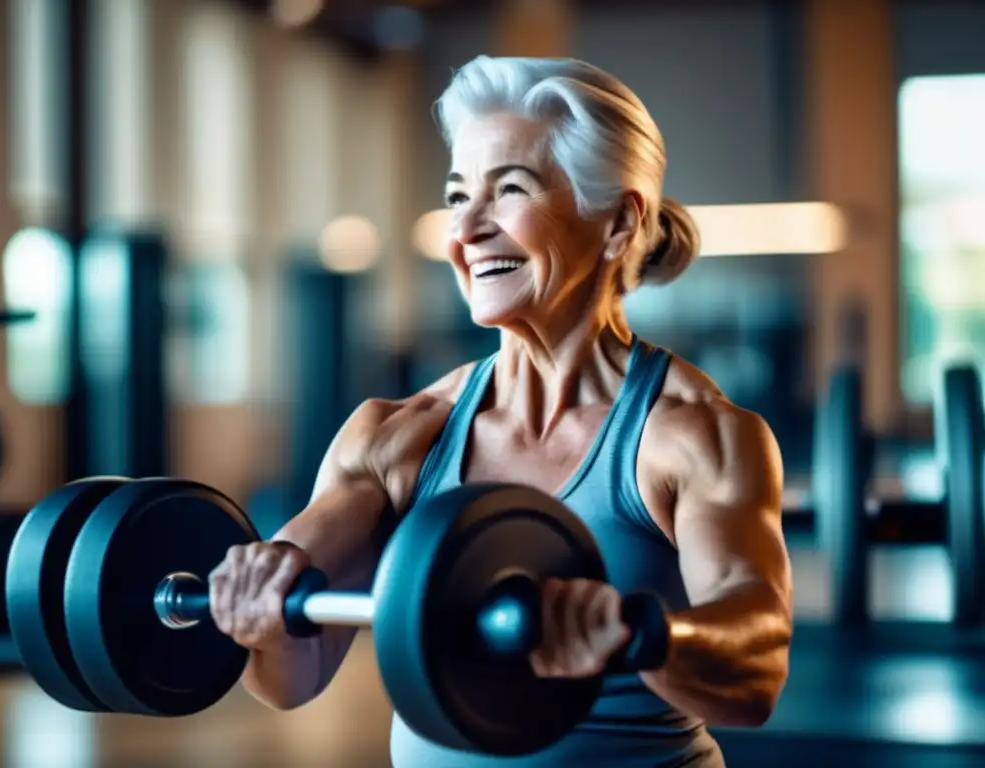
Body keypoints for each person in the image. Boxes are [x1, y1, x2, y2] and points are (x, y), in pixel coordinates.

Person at [208, 56, 793, 767]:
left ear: (617, 221)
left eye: (509, 189)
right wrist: (256, 613)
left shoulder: (691, 435)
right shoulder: (396, 437)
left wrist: (635, 632)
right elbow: (291, 677)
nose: (468, 229)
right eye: (458, 196)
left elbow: (757, 672)